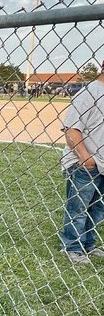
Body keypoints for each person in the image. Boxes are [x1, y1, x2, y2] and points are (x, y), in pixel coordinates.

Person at [59, 62, 104, 264]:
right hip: (85, 163)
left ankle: (88, 244)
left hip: (101, 163)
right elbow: (71, 128)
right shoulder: (90, 93)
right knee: (78, 208)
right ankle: (72, 247)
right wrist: (85, 158)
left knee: (97, 209)